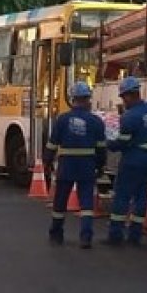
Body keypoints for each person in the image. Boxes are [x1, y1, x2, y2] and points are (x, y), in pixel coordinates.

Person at [42, 81, 106, 249]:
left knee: (60, 202)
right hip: (87, 166)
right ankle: (86, 237)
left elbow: (52, 145)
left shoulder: (62, 120)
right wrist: (100, 166)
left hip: (66, 166)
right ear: (88, 99)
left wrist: (47, 162)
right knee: (86, 203)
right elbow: (101, 148)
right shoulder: (96, 121)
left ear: (72, 99)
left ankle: (56, 233)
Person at [106, 76, 147, 246]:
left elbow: (122, 143)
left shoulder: (129, 117)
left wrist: (108, 143)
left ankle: (115, 235)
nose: (123, 101)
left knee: (122, 196)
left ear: (130, 95)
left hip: (133, 160)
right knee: (142, 196)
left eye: (124, 97)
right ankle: (135, 235)